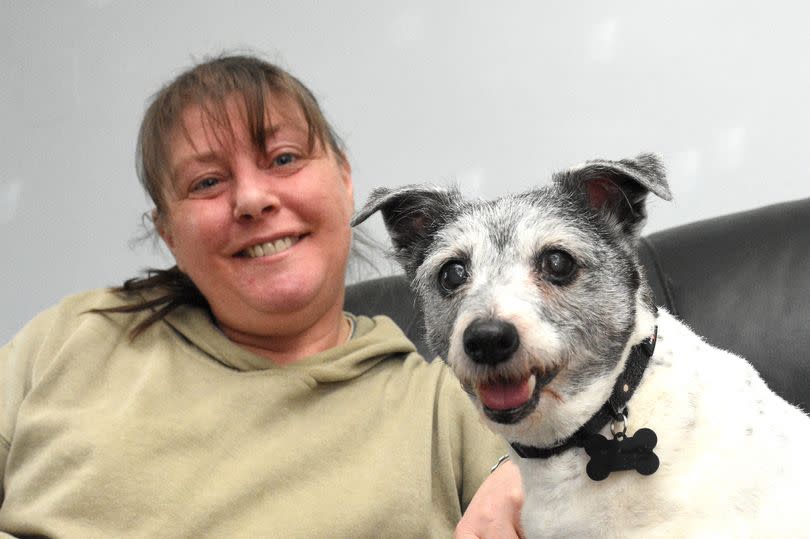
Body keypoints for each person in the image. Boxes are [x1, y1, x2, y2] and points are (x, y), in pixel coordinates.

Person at [0, 54, 523, 538]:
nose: (251, 199)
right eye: (206, 182)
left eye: (283, 158)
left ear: (344, 179)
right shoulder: (72, 335)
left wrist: (529, 485)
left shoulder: (447, 408)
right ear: (168, 234)